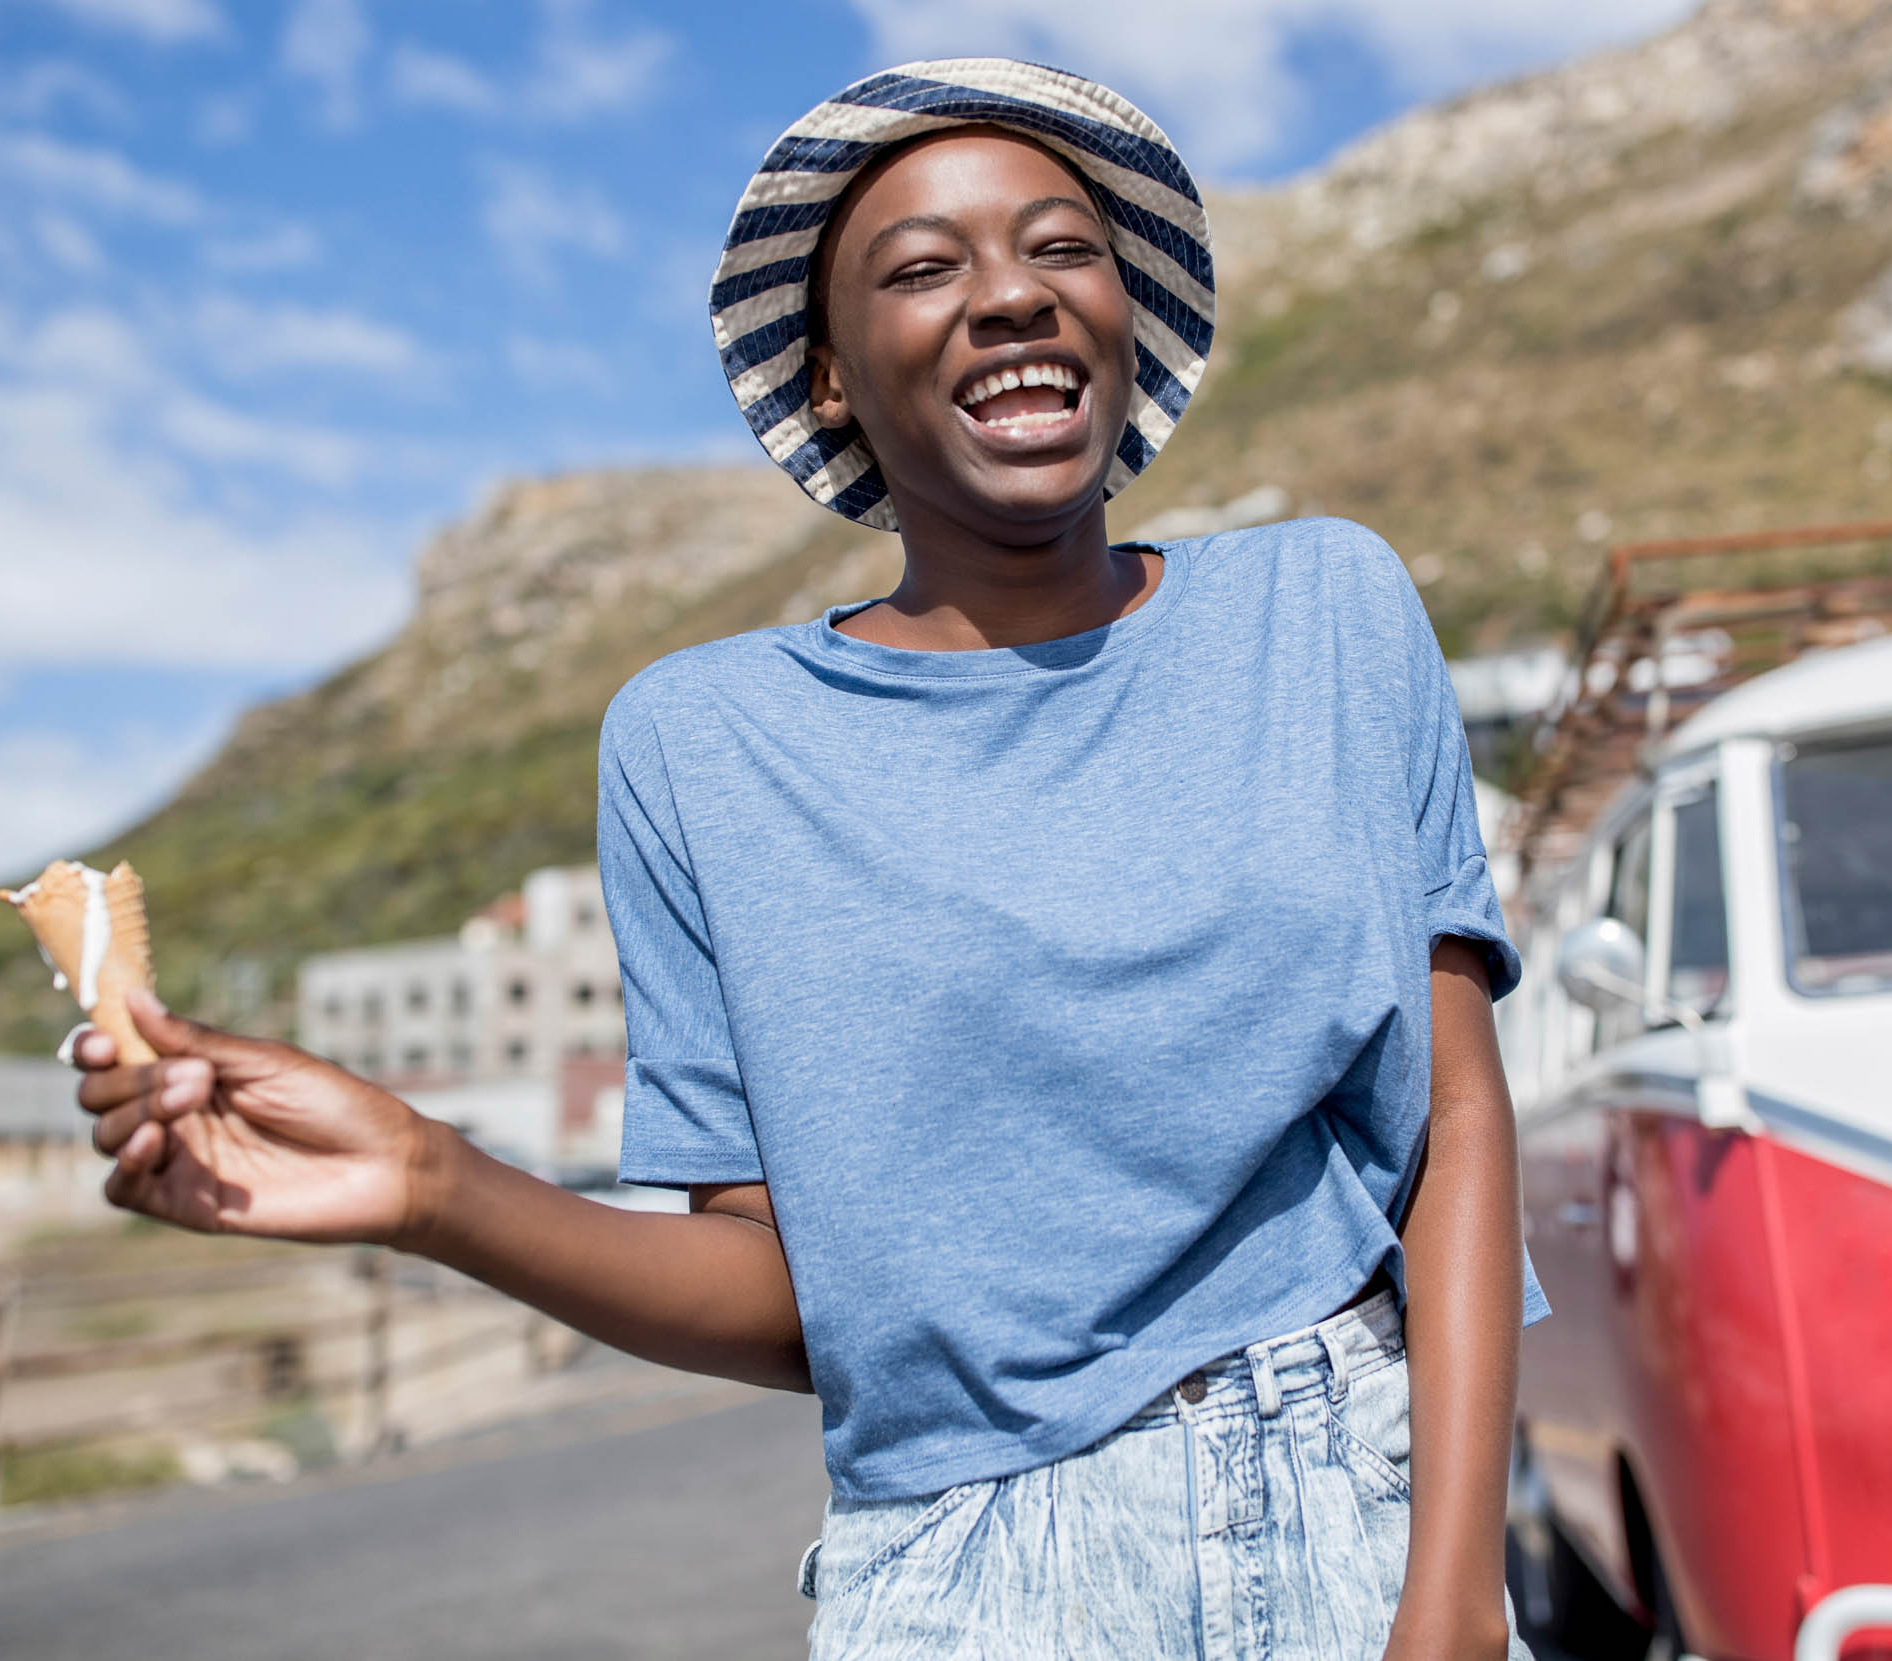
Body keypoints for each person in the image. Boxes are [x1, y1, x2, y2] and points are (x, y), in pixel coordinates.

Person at [74, 60, 1546, 1660]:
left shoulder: (1327, 610)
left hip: (1361, 1496)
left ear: (1124, 310)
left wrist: (1452, 1597)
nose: (1009, 298)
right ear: (833, 374)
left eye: (1063, 248)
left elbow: (1450, 1122)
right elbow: (795, 1293)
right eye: (923, 269)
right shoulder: (697, 748)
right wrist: (433, 1186)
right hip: (974, 1577)